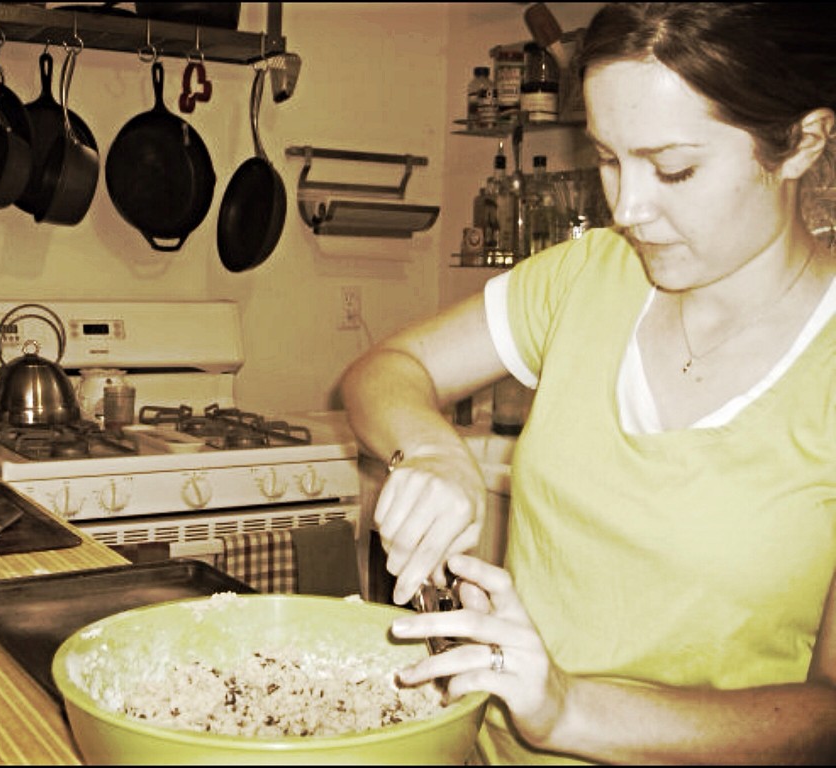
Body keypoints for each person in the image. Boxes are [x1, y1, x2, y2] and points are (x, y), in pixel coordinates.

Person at [339, 3, 836, 763]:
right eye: (608, 158)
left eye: (675, 169)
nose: (628, 208)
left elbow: (826, 716)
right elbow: (385, 371)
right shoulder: (586, 277)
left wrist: (568, 711)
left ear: (802, 142)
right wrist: (432, 452)